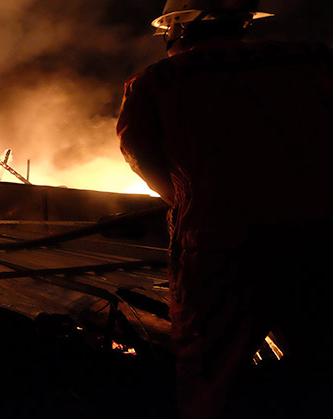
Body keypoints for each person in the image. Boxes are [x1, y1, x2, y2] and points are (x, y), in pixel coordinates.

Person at [117, 1, 333, 418]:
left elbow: (142, 156)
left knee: (212, 369)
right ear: (244, 22)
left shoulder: (156, 81)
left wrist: (191, 202)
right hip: (323, 235)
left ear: (180, 29)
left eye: (167, 33)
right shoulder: (316, 59)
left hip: (225, 245)